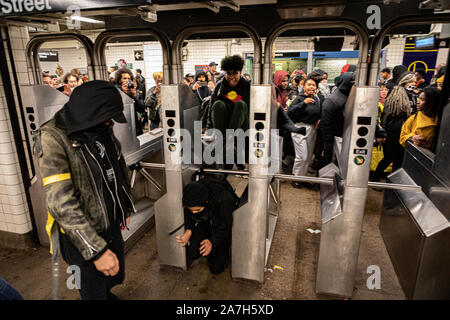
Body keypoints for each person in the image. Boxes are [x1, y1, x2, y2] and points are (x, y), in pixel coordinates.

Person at [37, 81, 134, 300]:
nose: (110, 122)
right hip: (80, 235)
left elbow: (116, 166)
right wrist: (96, 251)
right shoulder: (53, 138)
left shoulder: (100, 125)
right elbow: (61, 204)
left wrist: (123, 207)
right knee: (92, 290)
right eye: (107, 117)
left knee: (113, 276)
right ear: (91, 112)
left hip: (109, 222)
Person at [177, 177, 237, 275]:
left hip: (221, 224)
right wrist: (189, 230)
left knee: (216, 269)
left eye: (197, 210)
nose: (194, 213)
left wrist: (212, 241)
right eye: (191, 210)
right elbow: (188, 214)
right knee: (193, 253)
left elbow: (226, 224)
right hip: (206, 219)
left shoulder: (224, 199)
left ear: (206, 202)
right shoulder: (191, 194)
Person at [372, 72, 415, 181]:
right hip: (393, 133)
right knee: (388, 158)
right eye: (411, 81)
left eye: (414, 81)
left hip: (404, 133)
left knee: (399, 160)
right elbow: (386, 116)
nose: (413, 84)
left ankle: (392, 182)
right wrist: (383, 132)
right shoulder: (396, 96)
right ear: (404, 82)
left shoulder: (412, 95)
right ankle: (375, 178)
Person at [287, 73, 321, 188]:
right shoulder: (299, 98)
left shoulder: (317, 98)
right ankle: (295, 178)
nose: (311, 87)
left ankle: (302, 177)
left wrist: (319, 119)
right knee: (302, 155)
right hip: (299, 128)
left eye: (314, 85)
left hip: (312, 129)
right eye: (309, 85)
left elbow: (318, 111)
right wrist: (303, 103)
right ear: (304, 87)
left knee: (309, 156)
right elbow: (290, 112)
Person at [319, 71, 355, 169]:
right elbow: (326, 123)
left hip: (342, 135)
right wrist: (328, 142)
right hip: (333, 137)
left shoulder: (347, 96)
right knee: (328, 161)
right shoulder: (334, 100)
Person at [115, 67, 146, 135]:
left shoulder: (133, 91)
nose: (127, 80)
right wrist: (122, 92)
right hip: (122, 127)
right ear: (119, 80)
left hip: (135, 126)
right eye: (124, 78)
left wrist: (134, 96)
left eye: (129, 78)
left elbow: (142, 109)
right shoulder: (116, 91)